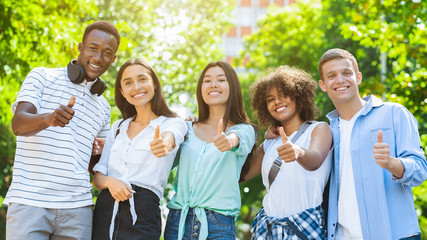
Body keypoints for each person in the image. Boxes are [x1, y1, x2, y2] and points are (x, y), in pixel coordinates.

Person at [4, 21, 120, 240]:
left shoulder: (104, 107)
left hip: (78, 209)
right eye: (93, 48)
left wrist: (101, 154)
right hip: (30, 202)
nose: (98, 58)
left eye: (107, 53)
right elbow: (18, 124)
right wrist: (49, 119)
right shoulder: (42, 77)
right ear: (80, 47)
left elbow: (94, 166)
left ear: (113, 59)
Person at [318, 48, 427, 240]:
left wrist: (391, 163)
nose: (340, 80)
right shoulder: (327, 131)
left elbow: (420, 170)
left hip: (395, 234)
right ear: (323, 85)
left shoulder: (394, 113)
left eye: (347, 73)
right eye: (331, 76)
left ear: (358, 77)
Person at [91, 58, 187, 240]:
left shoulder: (173, 123)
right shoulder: (118, 127)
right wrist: (111, 182)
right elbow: (98, 177)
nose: (136, 87)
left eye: (142, 79)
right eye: (128, 82)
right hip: (105, 212)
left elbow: (173, 135)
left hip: (143, 216)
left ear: (154, 84)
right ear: (122, 91)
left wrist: (165, 143)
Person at [164, 61, 257, 240]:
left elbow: (237, 139)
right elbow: (165, 160)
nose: (213, 84)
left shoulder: (245, 130)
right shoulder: (186, 128)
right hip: (178, 223)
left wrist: (228, 141)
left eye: (221, 80)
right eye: (207, 80)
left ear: (233, 87)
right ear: (201, 88)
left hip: (218, 224)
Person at [244, 66, 332, 239]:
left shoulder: (319, 129)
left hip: (304, 229)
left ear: (298, 96)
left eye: (284, 94)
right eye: (270, 99)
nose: (277, 101)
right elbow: (240, 175)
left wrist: (297, 152)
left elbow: (315, 160)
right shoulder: (269, 143)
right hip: (268, 229)